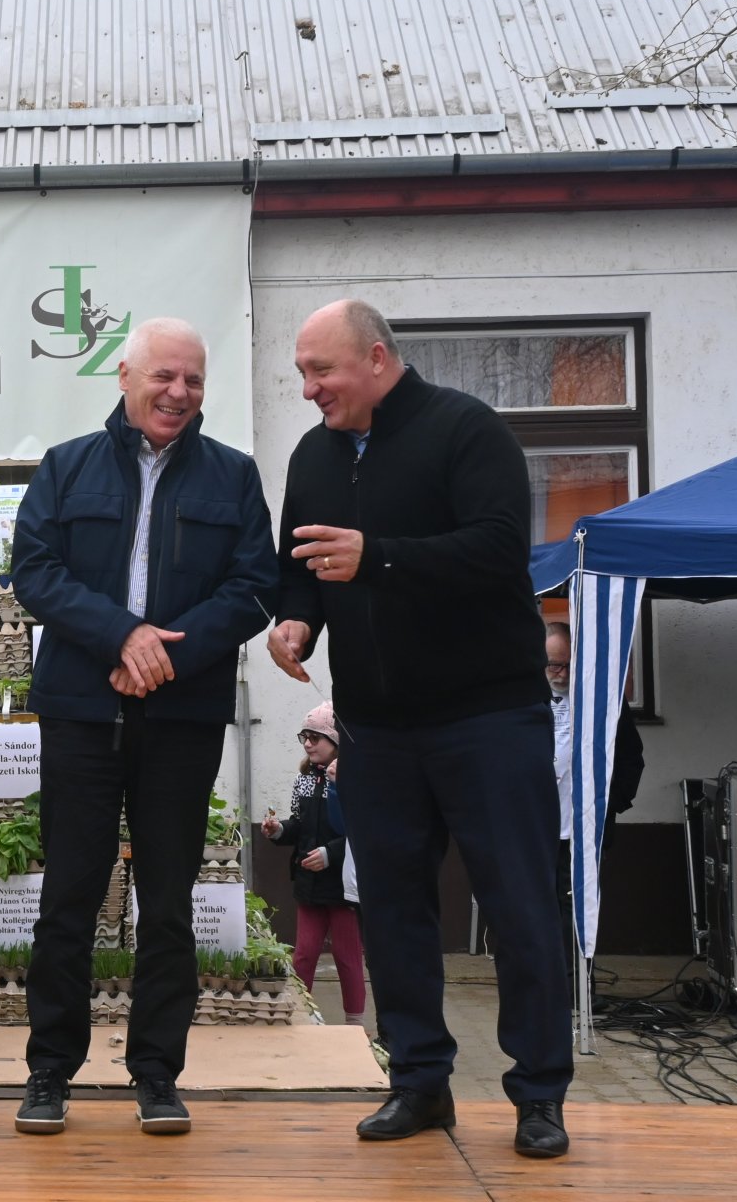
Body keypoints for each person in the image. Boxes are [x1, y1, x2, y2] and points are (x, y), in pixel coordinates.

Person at [268, 298, 571, 1158]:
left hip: (488, 717)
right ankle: (419, 1083)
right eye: (300, 373)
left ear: (375, 358)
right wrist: (296, 623)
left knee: (517, 906)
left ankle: (539, 1095)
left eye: (320, 371)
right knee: (394, 909)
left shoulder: (465, 431)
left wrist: (381, 557)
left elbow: (496, 548)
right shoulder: (313, 456)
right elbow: (301, 567)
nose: (308, 389)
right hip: (378, 729)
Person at [9, 317, 276, 1137]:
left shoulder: (232, 476)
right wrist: (118, 635)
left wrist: (165, 656)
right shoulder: (66, 467)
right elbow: (34, 572)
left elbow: (253, 586)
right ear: (124, 375)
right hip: (83, 712)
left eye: (193, 380)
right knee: (69, 898)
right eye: (164, 376)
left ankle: (157, 1074)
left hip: (182, 718)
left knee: (166, 905)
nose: (179, 393)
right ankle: (49, 1071)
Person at [543, 620, 644, 987]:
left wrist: (609, 805)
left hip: (584, 826)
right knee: (539, 907)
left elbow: (632, 758)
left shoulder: (603, 699)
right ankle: (543, 986)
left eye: (568, 664)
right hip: (536, 826)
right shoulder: (527, 698)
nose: (561, 673)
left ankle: (576, 988)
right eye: (554, 664)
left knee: (577, 907)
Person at [261, 703, 366, 1027]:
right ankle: (297, 1018)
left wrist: (330, 854)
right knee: (303, 955)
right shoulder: (303, 779)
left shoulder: (355, 777)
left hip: (343, 888)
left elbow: (360, 830)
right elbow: (300, 824)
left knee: (348, 958)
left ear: (336, 742)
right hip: (309, 884)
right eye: (305, 737)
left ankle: (354, 1025)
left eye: (316, 737)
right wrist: (279, 830)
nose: (308, 743)